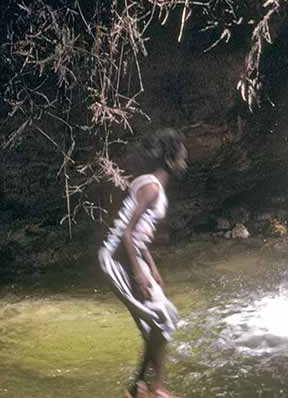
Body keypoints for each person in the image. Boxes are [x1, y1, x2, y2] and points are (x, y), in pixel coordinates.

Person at [99, 128, 188, 398]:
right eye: (182, 156)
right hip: (119, 258)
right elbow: (126, 232)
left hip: (129, 255)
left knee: (158, 321)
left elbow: (138, 234)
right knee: (163, 318)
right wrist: (138, 272)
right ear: (169, 159)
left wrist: (152, 266)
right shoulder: (152, 188)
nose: (185, 160)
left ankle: (139, 388)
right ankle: (155, 386)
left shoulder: (148, 184)